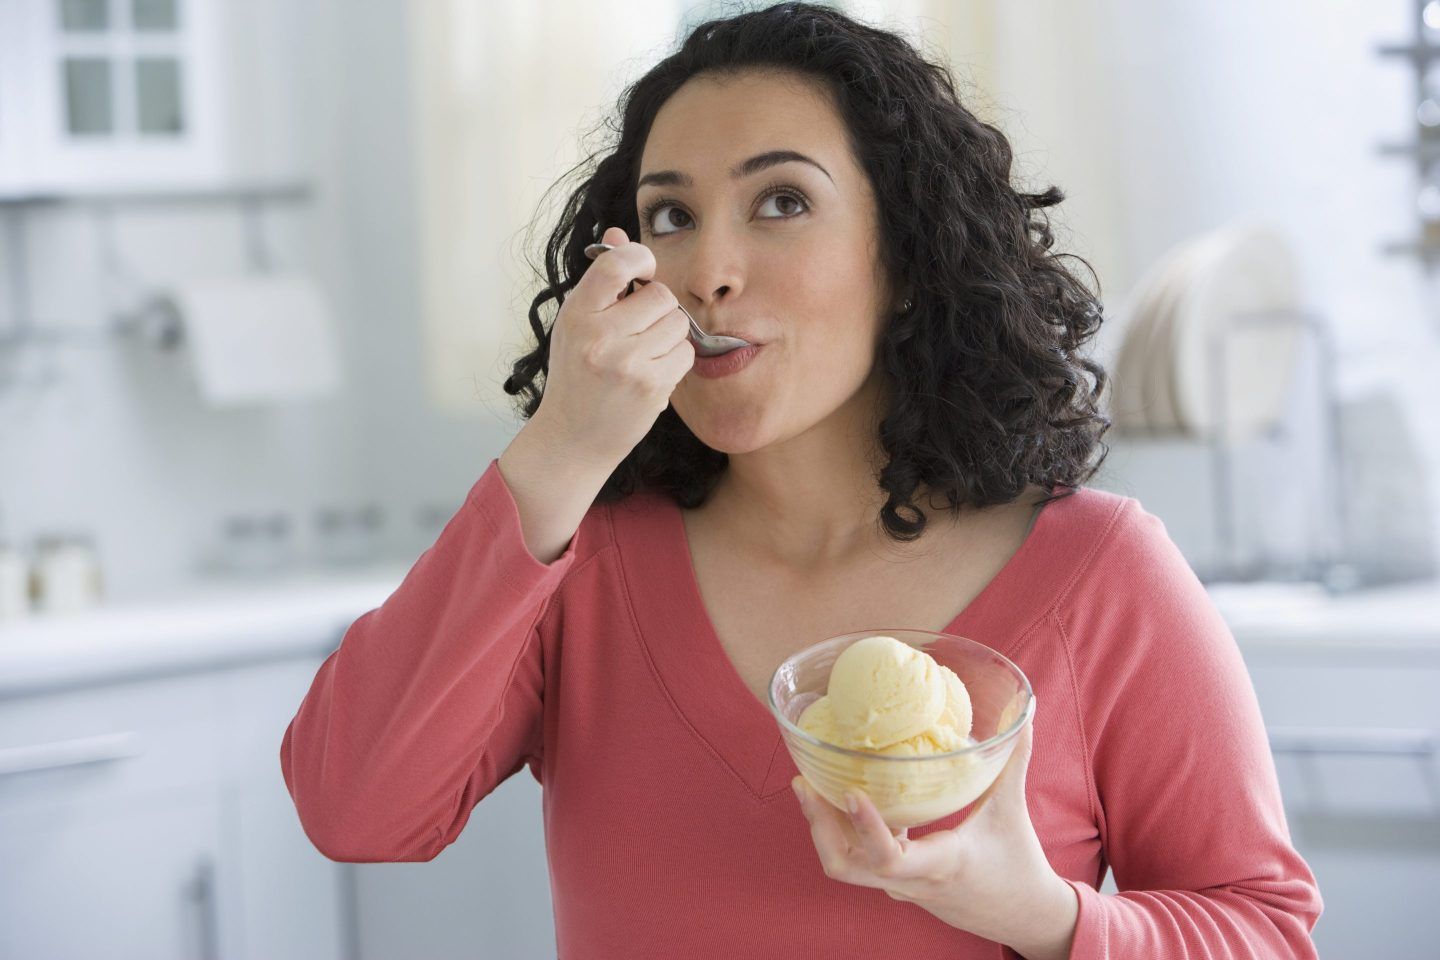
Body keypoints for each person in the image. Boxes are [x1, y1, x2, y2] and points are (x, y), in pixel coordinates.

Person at [280, 4, 1323, 957]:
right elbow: (355, 808)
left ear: (905, 255)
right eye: (670, 216)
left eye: (781, 201)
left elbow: (1267, 933)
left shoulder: (1102, 574)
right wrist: (561, 449)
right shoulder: (589, 563)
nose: (707, 270)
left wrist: (1038, 913)